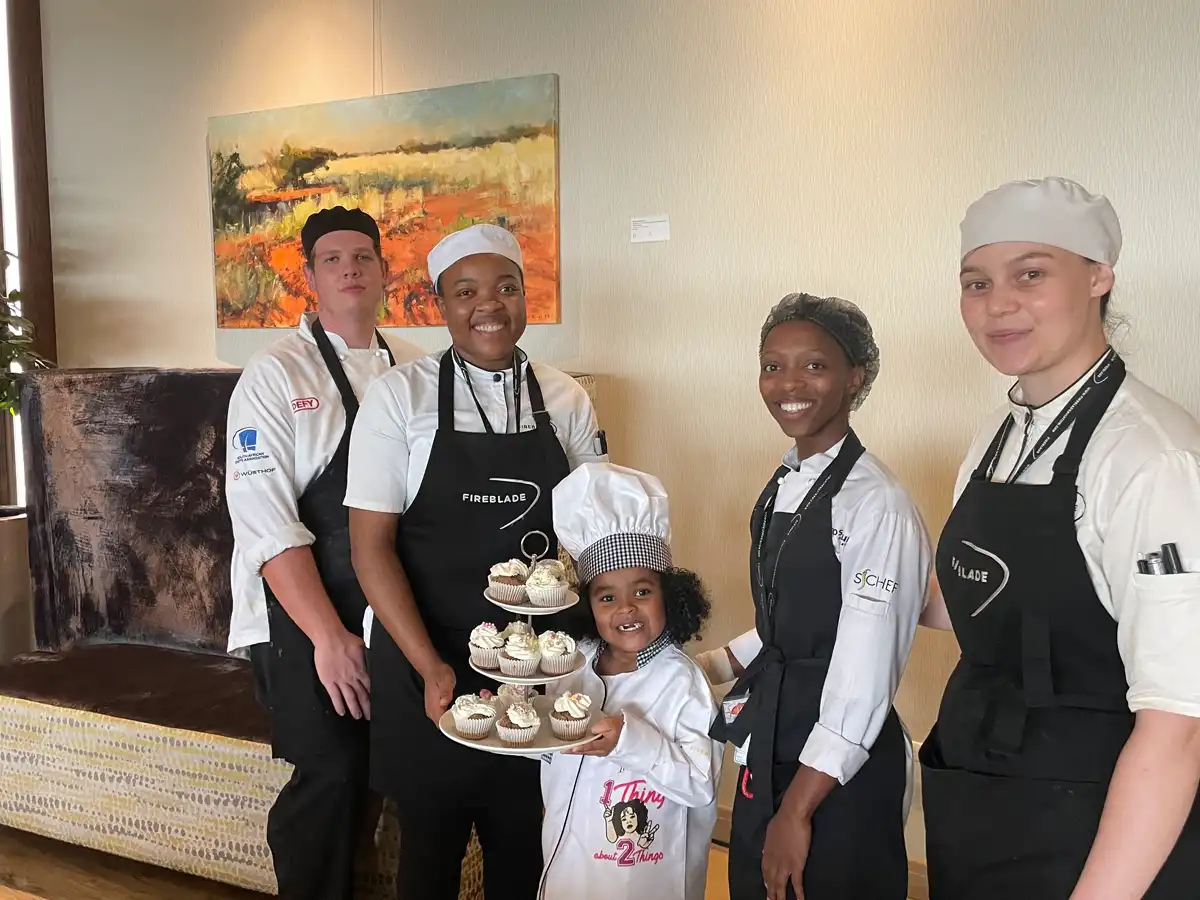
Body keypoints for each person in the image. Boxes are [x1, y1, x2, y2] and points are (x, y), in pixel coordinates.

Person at [919, 176, 1200, 898]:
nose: (998, 304)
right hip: (982, 795)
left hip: (1097, 822)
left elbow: (1179, 727)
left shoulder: (1151, 459)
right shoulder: (997, 435)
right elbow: (989, 603)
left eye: (1031, 274)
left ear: (1099, 276)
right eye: (976, 283)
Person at [344, 223, 607, 899]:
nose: (488, 304)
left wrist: (600, 657)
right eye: (466, 291)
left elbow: (597, 537)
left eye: (505, 287)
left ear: (525, 296)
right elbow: (370, 547)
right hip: (423, 652)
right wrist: (429, 665)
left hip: (534, 662)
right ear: (440, 305)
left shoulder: (565, 399)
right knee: (429, 849)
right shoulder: (399, 397)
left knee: (522, 840)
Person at [699, 293, 931, 900]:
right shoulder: (788, 479)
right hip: (774, 728)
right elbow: (792, 619)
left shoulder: (875, 504)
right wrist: (709, 667)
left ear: (855, 377)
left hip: (835, 759)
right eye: (773, 366)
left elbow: (864, 671)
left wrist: (798, 810)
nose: (789, 384)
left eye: (814, 365)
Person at [225, 206, 423, 900]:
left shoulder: (416, 368)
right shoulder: (274, 375)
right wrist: (329, 639)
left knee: (406, 768)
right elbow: (265, 521)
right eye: (332, 260)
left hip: (390, 606)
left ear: (384, 271)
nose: (350, 269)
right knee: (333, 774)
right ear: (309, 278)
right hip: (300, 615)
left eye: (363, 257)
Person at [539, 462, 722, 900]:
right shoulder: (571, 667)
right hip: (569, 860)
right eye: (607, 597)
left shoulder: (684, 683)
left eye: (642, 591)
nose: (626, 608)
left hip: (644, 874)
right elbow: (549, 748)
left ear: (670, 596)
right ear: (588, 606)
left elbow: (701, 784)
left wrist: (629, 741)